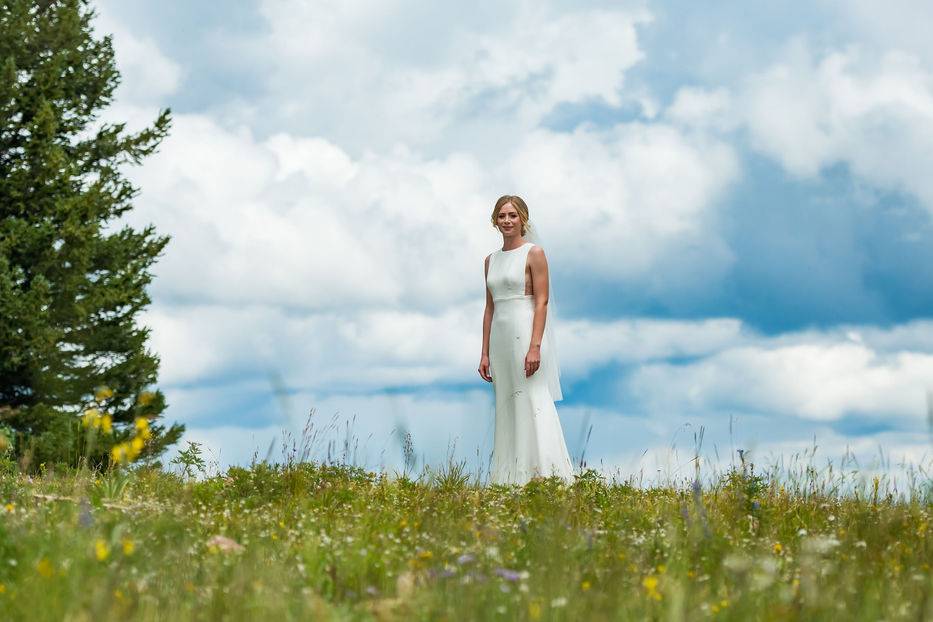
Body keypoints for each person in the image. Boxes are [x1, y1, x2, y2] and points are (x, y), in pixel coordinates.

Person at [478, 195, 575, 485]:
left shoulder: (534, 253)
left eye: (513, 216)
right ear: (495, 221)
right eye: (502, 216)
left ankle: (547, 473)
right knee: (507, 402)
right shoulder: (489, 261)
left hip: (525, 332)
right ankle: (509, 476)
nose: (507, 221)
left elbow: (542, 301)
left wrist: (535, 346)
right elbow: (489, 307)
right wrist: (484, 353)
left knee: (533, 398)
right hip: (500, 337)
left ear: (523, 220)